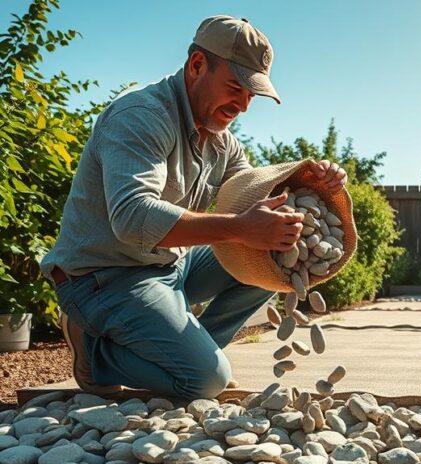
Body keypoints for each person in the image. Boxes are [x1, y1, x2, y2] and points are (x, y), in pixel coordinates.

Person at [40, 15, 347, 400]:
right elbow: (132, 218)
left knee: (270, 257)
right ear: (197, 65)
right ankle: (96, 352)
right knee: (204, 383)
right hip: (105, 278)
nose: (243, 106)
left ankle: (198, 351)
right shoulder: (141, 117)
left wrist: (308, 182)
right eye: (236, 87)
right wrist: (239, 227)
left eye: (252, 95)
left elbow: (252, 195)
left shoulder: (221, 140)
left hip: (169, 265)